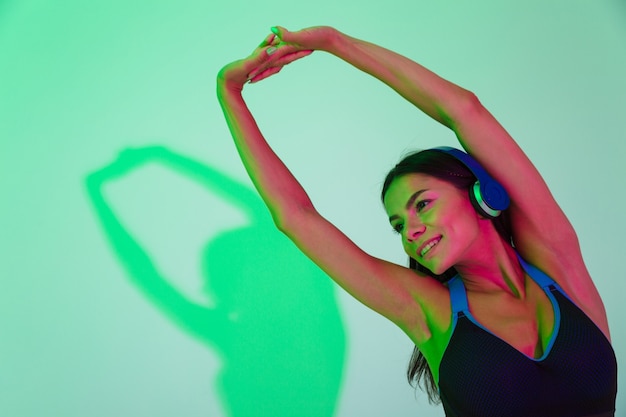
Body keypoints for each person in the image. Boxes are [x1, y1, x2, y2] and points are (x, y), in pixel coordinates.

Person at [216, 26, 617, 416]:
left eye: (421, 205)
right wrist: (229, 92)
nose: (410, 232)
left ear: (479, 192)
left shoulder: (557, 262)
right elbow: (296, 217)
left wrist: (334, 42)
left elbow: (464, 110)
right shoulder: (431, 311)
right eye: (398, 225)